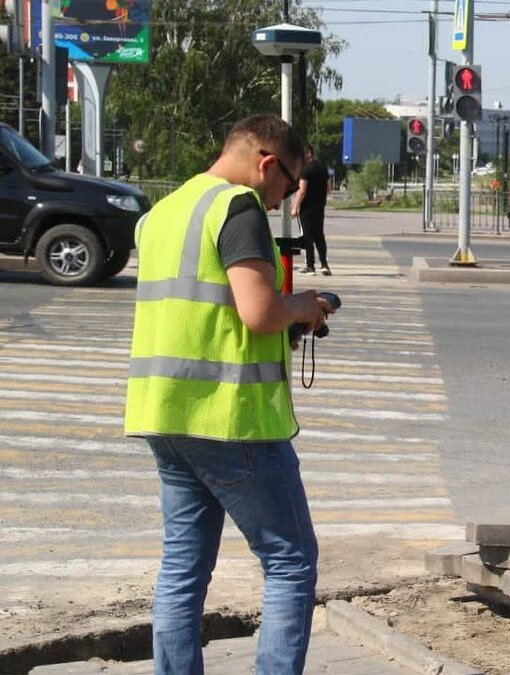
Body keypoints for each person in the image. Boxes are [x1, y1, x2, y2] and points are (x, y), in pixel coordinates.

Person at [124, 113, 337, 674]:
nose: (282, 198)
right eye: (287, 182)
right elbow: (259, 312)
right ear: (267, 164)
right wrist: (303, 306)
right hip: (230, 419)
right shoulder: (237, 207)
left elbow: (208, 315)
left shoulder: (165, 210)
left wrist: (285, 326)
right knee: (290, 562)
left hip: (164, 413)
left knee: (182, 568)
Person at [292, 144, 332, 275]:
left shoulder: (305, 170)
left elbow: (302, 191)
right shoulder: (323, 168)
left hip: (307, 208)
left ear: (308, 153)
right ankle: (324, 264)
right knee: (319, 235)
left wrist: (295, 207)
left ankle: (310, 266)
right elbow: (328, 189)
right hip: (319, 207)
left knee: (308, 236)